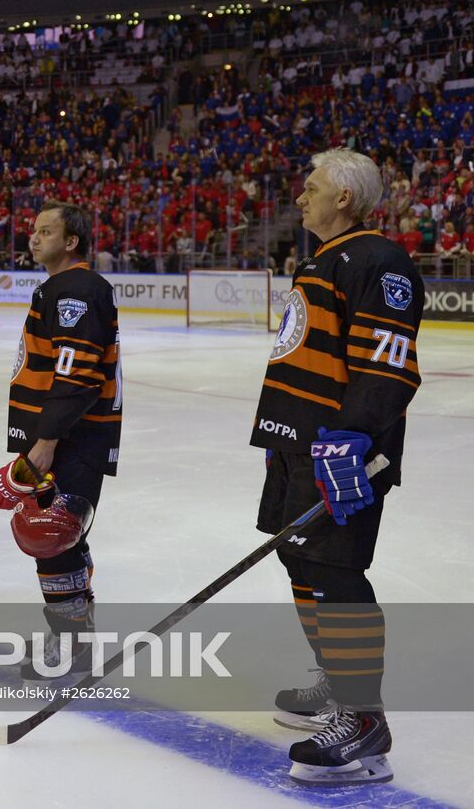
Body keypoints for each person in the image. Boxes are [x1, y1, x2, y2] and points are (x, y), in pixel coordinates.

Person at [251, 149, 422, 786]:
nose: (302, 198)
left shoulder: (380, 262)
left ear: (343, 198)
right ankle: (335, 684)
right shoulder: (320, 261)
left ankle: (363, 722)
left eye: (312, 188)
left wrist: (351, 440)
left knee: (336, 569)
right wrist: (282, 436)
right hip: (299, 446)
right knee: (301, 559)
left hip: (343, 451)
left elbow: (388, 364)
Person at [0, 200, 122, 679]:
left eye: (46, 231)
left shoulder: (77, 290)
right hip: (63, 437)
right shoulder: (62, 287)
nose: (34, 237)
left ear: (72, 242)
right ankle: (74, 638)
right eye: (33, 229)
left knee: (51, 535)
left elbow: (78, 375)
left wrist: (45, 441)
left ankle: (70, 646)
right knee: (61, 538)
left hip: (69, 440)